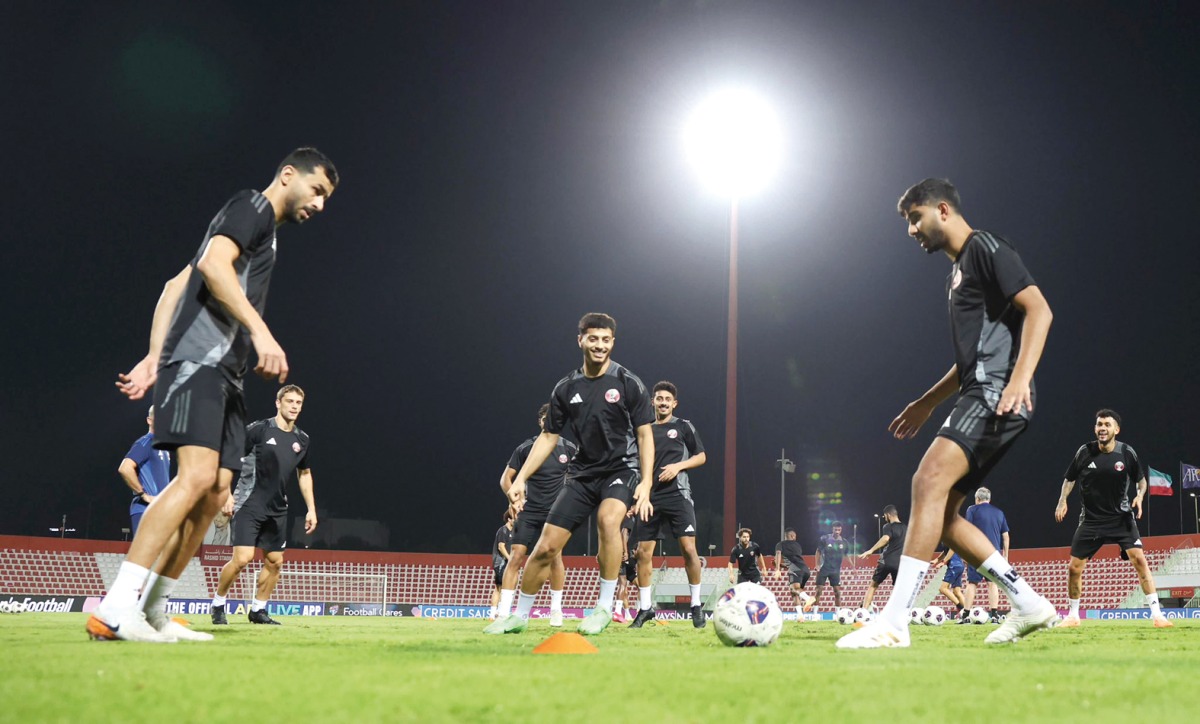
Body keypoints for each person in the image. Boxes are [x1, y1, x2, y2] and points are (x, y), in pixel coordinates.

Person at [91, 148, 338, 643]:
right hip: (199, 364)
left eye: (327, 198)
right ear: (288, 175)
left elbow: (174, 285)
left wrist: (150, 357)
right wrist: (260, 332)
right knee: (195, 478)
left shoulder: (262, 235)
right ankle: (116, 608)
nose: (320, 204)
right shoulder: (252, 207)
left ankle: (155, 612)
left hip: (228, 377)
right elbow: (210, 265)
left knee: (215, 494)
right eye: (317, 190)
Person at [838, 178, 1056, 649]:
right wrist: (926, 402)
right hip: (980, 388)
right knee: (947, 516)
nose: (911, 230)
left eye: (915, 218)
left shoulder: (985, 247)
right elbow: (967, 361)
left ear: (942, 210)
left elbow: (1039, 310)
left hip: (999, 391)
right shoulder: (955, 276)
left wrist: (1019, 379)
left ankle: (895, 622)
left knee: (926, 482)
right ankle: (1028, 603)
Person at [492, 313, 655, 635]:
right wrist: (521, 478)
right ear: (580, 340)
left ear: (613, 342)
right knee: (546, 547)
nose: (599, 345)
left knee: (609, 521)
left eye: (606, 339)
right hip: (582, 474)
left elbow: (645, 435)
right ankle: (518, 616)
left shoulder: (628, 382)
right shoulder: (566, 388)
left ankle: (604, 607)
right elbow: (548, 436)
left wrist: (647, 482)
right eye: (593, 338)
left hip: (621, 468)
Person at [1054, 409, 1172, 628]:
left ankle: (1158, 616)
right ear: (1095, 428)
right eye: (1099, 424)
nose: (1102, 428)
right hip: (1091, 520)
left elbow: (1141, 480)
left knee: (1140, 561)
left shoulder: (1127, 453)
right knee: (1074, 568)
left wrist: (1139, 496)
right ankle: (1072, 616)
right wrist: (1062, 501)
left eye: (1107, 424)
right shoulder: (1084, 452)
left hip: (1121, 519)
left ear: (1116, 430)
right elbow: (1069, 479)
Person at [210, 385, 317, 626]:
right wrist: (226, 494)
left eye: (298, 403)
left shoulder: (302, 439)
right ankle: (218, 603)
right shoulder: (259, 430)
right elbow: (228, 457)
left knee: (275, 561)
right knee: (243, 559)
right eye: (289, 401)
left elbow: (305, 474)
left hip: (278, 508)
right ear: (278, 403)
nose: (294, 406)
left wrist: (311, 508)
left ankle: (258, 610)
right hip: (249, 502)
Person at [484, 405, 576, 631]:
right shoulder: (526, 448)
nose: (549, 422)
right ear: (540, 422)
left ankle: (556, 610)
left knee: (556, 558)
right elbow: (506, 479)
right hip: (529, 512)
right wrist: (513, 501)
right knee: (515, 558)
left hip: (556, 513)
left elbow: (580, 477)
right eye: (545, 419)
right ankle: (504, 612)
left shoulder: (570, 448)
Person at [629, 381, 708, 629]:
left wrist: (678, 466)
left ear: (674, 403)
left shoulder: (683, 427)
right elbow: (635, 464)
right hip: (649, 498)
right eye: (659, 398)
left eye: (667, 399)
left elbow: (701, 456)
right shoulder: (644, 431)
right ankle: (644, 609)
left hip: (678, 495)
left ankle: (696, 605)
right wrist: (636, 495)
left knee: (688, 549)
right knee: (643, 553)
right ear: (652, 401)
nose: (663, 402)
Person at [117, 406, 172, 538]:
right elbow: (125, 468)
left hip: (161, 511)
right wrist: (143, 494)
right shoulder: (146, 442)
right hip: (145, 510)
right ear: (149, 420)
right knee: (144, 557)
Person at [963, 487, 1010, 622]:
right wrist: (1005, 556)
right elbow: (1006, 536)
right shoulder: (999, 513)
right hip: (993, 554)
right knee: (992, 583)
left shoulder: (972, 509)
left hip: (975, 552)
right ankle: (994, 615)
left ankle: (966, 615)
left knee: (972, 583)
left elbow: (967, 531)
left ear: (977, 499)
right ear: (989, 499)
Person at [858, 506, 907, 609]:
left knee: (873, 586)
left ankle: (863, 611)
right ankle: (899, 613)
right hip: (899, 563)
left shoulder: (888, 526)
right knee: (898, 589)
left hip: (886, 561)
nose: (885, 518)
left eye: (885, 516)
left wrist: (871, 550)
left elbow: (885, 539)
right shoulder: (906, 528)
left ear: (888, 515)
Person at [774, 528, 816, 616]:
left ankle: (808, 598)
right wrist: (781, 566)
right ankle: (800, 616)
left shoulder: (780, 544)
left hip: (795, 569)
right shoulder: (797, 545)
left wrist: (777, 569)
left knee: (794, 589)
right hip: (805, 570)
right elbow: (793, 561)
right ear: (792, 536)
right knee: (794, 592)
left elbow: (778, 554)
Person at [812, 521, 848, 610]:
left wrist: (853, 567)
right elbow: (818, 551)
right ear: (832, 529)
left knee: (837, 592)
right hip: (823, 568)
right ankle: (815, 615)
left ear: (841, 530)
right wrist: (817, 565)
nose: (837, 531)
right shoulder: (825, 538)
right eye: (835, 529)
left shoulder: (844, 542)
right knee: (818, 591)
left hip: (835, 571)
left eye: (839, 530)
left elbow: (846, 555)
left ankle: (838, 615)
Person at [931, 545, 968, 622]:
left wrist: (943, 562)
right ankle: (967, 615)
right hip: (959, 565)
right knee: (957, 592)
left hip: (953, 565)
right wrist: (937, 559)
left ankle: (961, 608)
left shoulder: (946, 535)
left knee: (943, 589)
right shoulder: (945, 536)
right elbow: (946, 551)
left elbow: (952, 548)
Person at [489, 511, 515, 620]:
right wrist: (510, 559)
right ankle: (492, 614)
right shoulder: (503, 530)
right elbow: (501, 547)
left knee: (506, 588)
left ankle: (500, 612)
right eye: (514, 518)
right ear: (509, 519)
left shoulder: (514, 531)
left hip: (508, 563)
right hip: (500, 562)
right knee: (499, 588)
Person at [614, 512, 638, 623]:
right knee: (623, 584)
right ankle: (618, 612)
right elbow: (624, 533)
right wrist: (625, 552)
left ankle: (629, 613)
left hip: (618, 554)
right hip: (622, 555)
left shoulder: (619, 519)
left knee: (633, 585)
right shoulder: (628, 519)